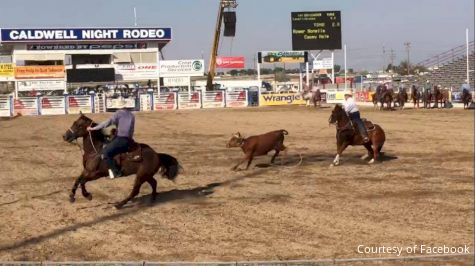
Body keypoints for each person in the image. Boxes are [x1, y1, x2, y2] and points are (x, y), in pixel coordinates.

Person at [87, 99, 135, 179]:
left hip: (121, 139)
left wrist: (93, 129)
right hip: (129, 140)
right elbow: (132, 129)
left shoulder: (118, 113)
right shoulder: (131, 115)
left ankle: (116, 172)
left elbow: (107, 123)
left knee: (105, 153)